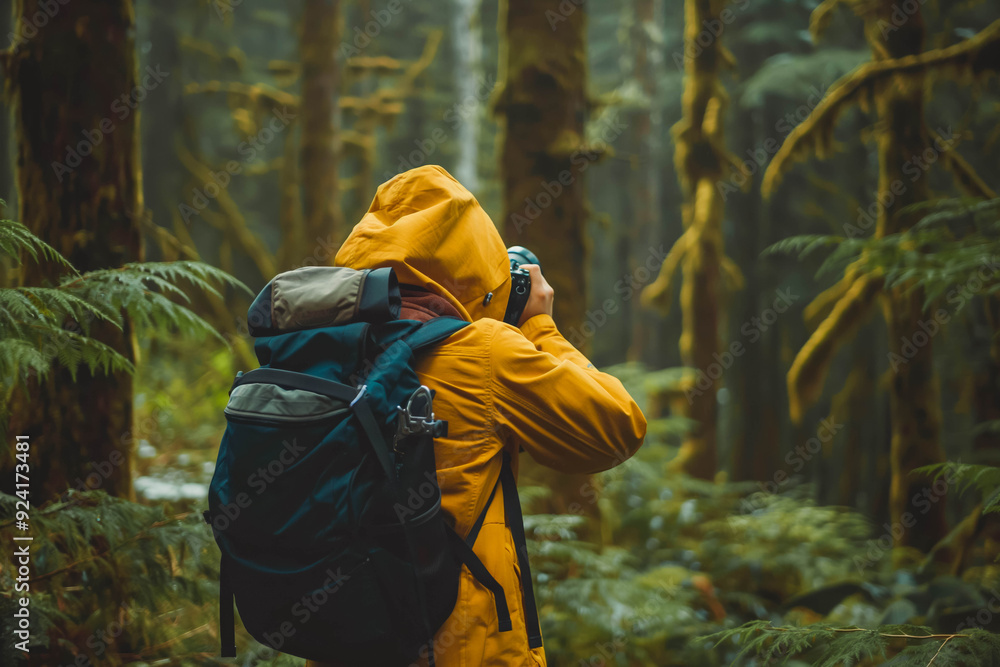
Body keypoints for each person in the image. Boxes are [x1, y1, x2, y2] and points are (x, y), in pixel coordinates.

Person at [308, 164, 646, 666]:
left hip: (342, 637)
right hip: (460, 647)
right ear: (470, 259)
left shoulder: (322, 351)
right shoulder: (483, 353)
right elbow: (617, 428)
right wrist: (538, 326)